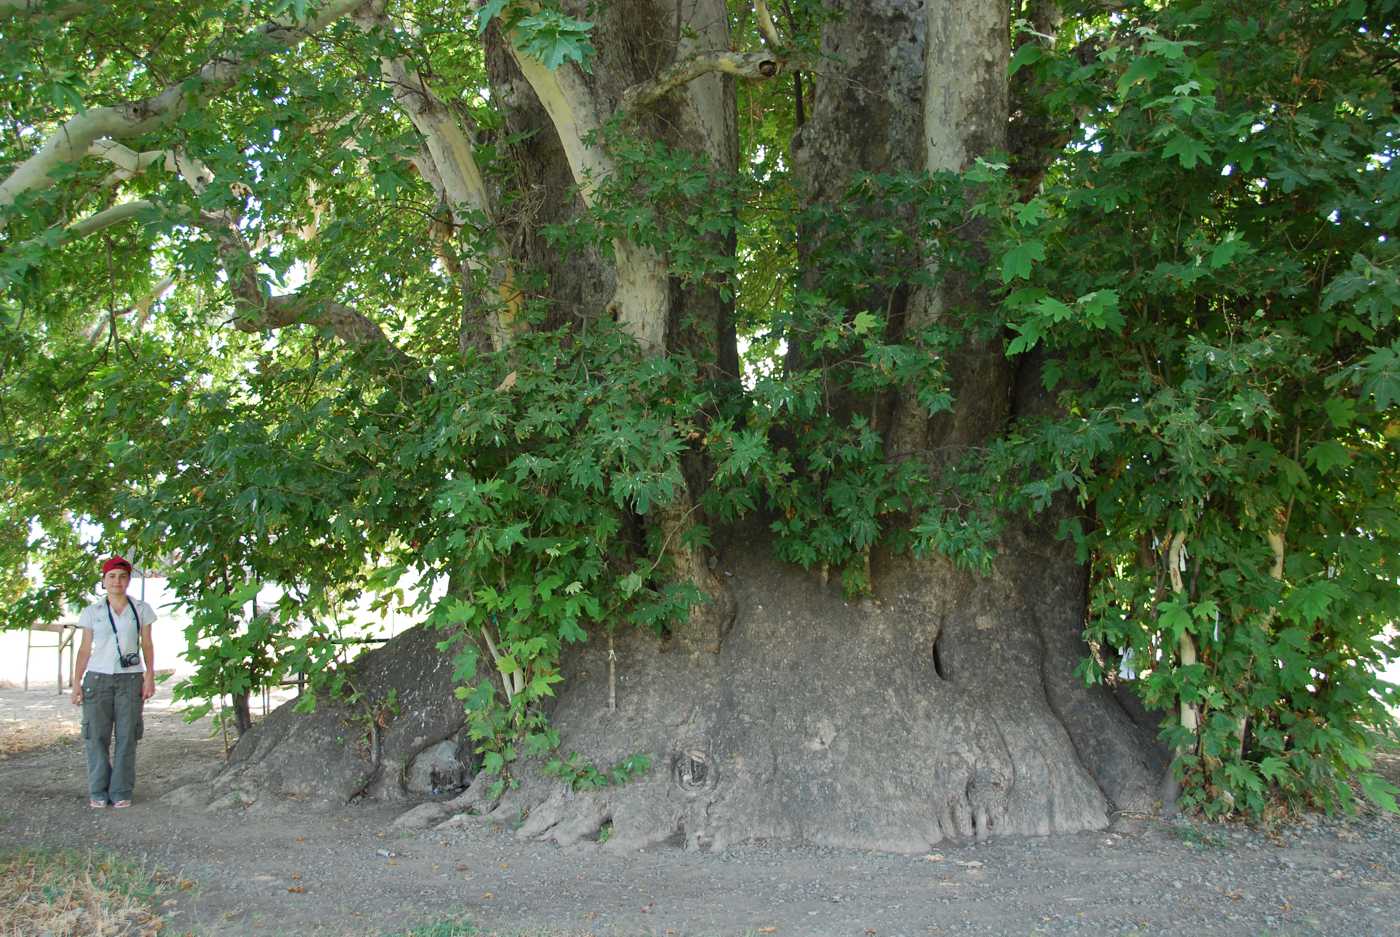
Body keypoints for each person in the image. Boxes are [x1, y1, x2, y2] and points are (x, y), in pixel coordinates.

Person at [70, 555, 157, 808]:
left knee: (127, 735)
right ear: (104, 580)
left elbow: (147, 644)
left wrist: (149, 676)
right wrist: (77, 683)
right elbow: (85, 649)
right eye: (112, 576)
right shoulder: (92, 612)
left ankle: (120, 790)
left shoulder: (141, 609)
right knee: (96, 736)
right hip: (97, 679)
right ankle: (98, 789)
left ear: (128, 580)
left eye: (122, 576)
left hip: (130, 679)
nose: (117, 581)